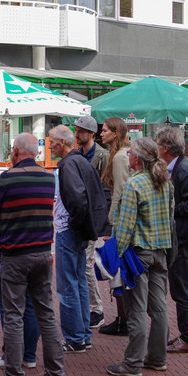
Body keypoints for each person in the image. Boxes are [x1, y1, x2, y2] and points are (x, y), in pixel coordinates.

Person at [0, 133, 66, 376]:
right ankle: (55, 375)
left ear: (16, 151)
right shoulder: (47, 178)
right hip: (43, 252)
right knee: (46, 314)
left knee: (14, 315)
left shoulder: (7, 178)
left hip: (15, 255)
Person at [106, 138, 174, 376]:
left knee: (136, 309)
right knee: (159, 307)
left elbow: (125, 226)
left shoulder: (134, 184)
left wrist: (118, 254)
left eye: (131, 153)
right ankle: (157, 358)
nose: (128, 156)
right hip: (160, 251)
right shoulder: (165, 182)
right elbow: (170, 218)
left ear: (137, 159)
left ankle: (132, 362)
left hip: (139, 253)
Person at [49, 124, 109, 353]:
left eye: (52, 142)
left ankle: (75, 337)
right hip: (79, 231)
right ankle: (82, 334)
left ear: (61, 143)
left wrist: (73, 224)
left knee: (67, 286)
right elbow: (96, 194)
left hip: (70, 231)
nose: (50, 146)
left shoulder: (68, 164)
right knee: (79, 282)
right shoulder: (81, 161)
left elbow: (78, 199)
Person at [156, 126, 188, 354]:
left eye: (157, 144)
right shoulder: (177, 167)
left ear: (165, 148)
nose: (156, 147)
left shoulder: (184, 170)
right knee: (178, 289)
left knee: (180, 290)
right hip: (180, 236)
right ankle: (186, 336)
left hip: (183, 238)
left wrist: (170, 209)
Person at [72, 115, 109, 330]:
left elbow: (105, 189)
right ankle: (89, 306)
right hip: (80, 216)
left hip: (93, 217)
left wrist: (104, 221)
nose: (77, 135)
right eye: (76, 131)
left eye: (81, 132)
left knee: (86, 262)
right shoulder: (77, 154)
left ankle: (96, 309)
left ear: (92, 134)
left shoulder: (102, 156)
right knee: (81, 262)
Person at [97, 117, 132, 337]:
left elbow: (120, 192)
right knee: (118, 270)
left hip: (119, 222)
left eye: (105, 130)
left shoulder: (120, 157)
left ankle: (124, 320)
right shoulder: (121, 154)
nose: (101, 134)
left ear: (116, 133)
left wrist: (112, 223)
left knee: (116, 269)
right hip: (122, 219)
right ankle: (124, 318)